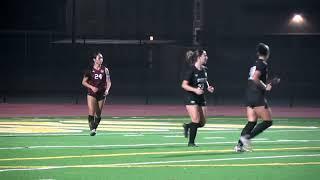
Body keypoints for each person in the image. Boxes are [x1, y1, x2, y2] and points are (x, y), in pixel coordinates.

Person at [234, 43, 279, 152]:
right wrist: (265, 87)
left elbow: (254, 79)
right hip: (257, 96)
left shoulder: (255, 64)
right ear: (267, 53)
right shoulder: (262, 64)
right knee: (268, 121)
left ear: (258, 53)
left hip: (249, 95)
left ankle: (239, 146)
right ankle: (246, 138)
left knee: (252, 122)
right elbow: (255, 78)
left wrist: (267, 84)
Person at [181, 49, 214, 147]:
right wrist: (195, 90)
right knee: (195, 119)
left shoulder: (204, 69)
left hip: (201, 97)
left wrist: (209, 87)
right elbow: (184, 85)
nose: (206, 57)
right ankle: (191, 143)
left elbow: (204, 82)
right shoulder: (191, 70)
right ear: (199, 57)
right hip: (190, 96)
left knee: (202, 123)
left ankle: (188, 126)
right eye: (205, 55)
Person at [82, 52, 111, 136]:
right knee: (92, 111)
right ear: (94, 59)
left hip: (102, 94)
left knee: (98, 113)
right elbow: (83, 82)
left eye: (102, 58)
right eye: (99, 58)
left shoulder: (105, 69)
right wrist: (91, 87)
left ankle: (94, 127)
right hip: (91, 93)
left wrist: (107, 90)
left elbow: (108, 82)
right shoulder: (89, 70)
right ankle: (92, 130)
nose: (101, 59)